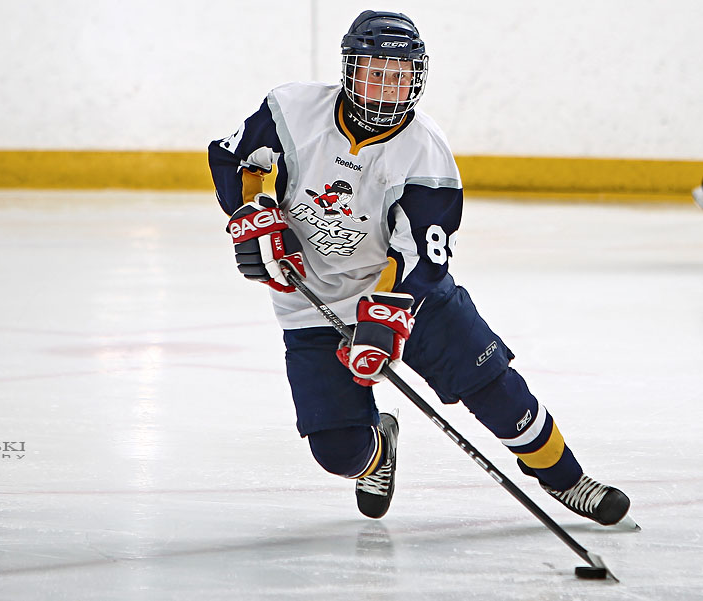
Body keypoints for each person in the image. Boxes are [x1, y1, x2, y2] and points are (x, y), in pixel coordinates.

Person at [208, 9, 631, 523]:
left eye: (398, 76)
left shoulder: (425, 150)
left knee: (495, 391)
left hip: (410, 299)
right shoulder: (291, 108)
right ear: (349, 70)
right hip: (311, 303)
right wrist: (254, 211)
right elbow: (235, 158)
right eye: (373, 72)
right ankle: (379, 450)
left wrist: (381, 314)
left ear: (416, 79)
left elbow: (417, 258)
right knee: (337, 452)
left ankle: (569, 480)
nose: (385, 88)